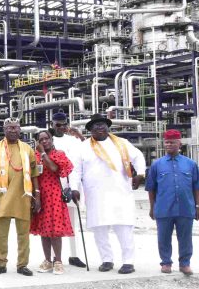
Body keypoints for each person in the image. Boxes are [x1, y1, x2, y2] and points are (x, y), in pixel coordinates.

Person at [68, 114, 146, 274]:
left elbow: (138, 157)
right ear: (90, 130)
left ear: (108, 127)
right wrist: (74, 188)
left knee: (124, 229)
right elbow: (75, 170)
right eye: (96, 126)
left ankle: (128, 261)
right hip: (96, 196)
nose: (100, 127)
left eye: (103, 124)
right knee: (99, 230)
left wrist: (141, 174)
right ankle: (107, 260)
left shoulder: (122, 143)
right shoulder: (82, 147)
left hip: (120, 194)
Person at [0, 117, 40, 276]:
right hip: (2, 197)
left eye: (16, 127)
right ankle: (0, 264)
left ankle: (22, 265)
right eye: (9, 128)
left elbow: (35, 174)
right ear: (4, 129)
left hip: (24, 197)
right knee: (1, 234)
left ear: (20, 129)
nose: (13, 130)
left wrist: (37, 196)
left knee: (24, 234)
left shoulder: (27, 149)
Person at [146, 129, 199, 276]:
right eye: (167, 142)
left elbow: (196, 186)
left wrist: (197, 206)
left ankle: (185, 264)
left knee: (186, 238)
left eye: (172, 142)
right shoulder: (157, 165)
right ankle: (166, 263)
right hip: (164, 208)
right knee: (163, 237)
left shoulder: (191, 164)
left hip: (186, 208)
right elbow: (151, 188)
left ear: (179, 143)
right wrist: (152, 207)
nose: (169, 145)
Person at [30, 130, 74, 275]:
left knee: (55, 230)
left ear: (51, 139)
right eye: (41, 139)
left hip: (54, 195)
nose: (44, 141)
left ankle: (58, 261)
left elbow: (55, 169)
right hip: (39, 195)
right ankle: (47, 260)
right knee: (44, 229)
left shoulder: (58, 154)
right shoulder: (34, 156)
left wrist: (43, 154)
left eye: (46, 138)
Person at [50, 112, 87, 269]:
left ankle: (74, 254)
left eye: (64, 124)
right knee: (54, 222)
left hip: (72, 183)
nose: (61, 127)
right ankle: (54, 256)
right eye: (58, 124)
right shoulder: (47, 139)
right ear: (52, 124)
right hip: (52, 184)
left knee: (73, 222)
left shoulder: (73, 140)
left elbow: (85, 152)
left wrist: (78, 134)